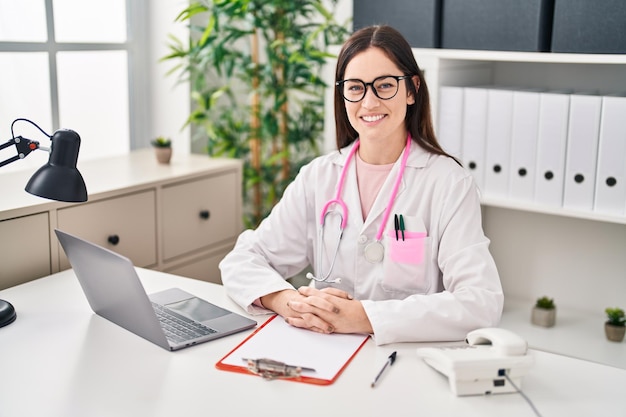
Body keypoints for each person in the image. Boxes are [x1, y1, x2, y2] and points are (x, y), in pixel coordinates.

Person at [219, 25, 503, 345]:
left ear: (412, 90)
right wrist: (289, 302)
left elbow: (481, 302)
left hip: (401, 358)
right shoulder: (319, 177)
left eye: (384, 85)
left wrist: (363, 317)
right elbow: (243, 259)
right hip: (324, 349)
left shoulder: (448, 183)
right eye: (355, 88)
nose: (368, 102)